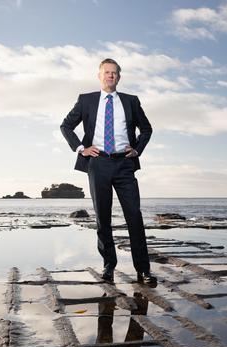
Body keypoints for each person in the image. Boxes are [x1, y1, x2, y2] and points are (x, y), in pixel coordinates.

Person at [60, 58, 156, 285]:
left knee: (134, 216)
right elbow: (66, 125)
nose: (110, 76)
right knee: (103, 219)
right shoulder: (86, 100)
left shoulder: (131, 101)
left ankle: (143, 269)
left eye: (114, 73)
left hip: (124, 164)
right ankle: (108, 265)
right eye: (106, 72)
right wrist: (81, 148)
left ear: (119, 77)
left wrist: (137, 150)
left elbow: (146, 128)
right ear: (99, 75)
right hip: (98, 163)